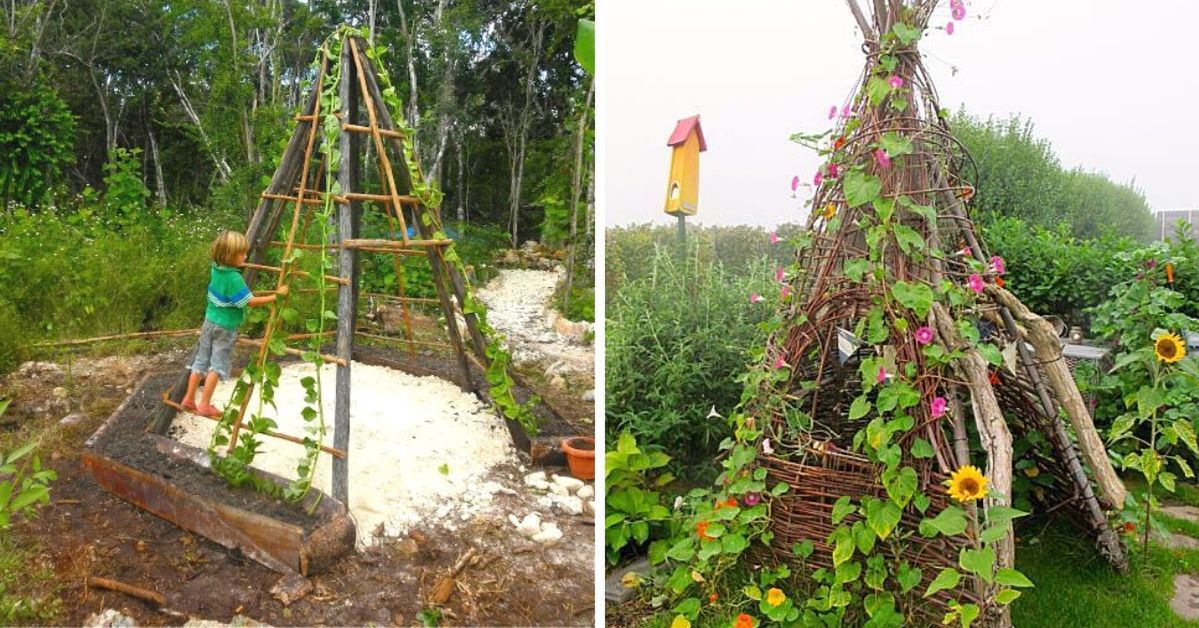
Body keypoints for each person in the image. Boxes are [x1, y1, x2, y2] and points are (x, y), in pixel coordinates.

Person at [182, 231, 287, 417]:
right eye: (241, 253)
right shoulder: (234, 278)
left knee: (201, 360)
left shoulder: (215, 268)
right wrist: (276, 296)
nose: (245, 257)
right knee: (217, 364)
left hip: (209, 321)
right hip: (226, 327)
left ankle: (189, 398)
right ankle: (205, 404)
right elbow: (249, 301)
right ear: (228, 255)